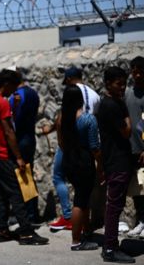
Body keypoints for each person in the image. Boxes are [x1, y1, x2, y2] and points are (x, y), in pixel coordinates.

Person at [0, 69, 48, 245]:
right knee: (17, 193)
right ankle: (26, 232)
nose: (14, 91)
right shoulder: (2, 102)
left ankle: (2, 230)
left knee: (0, 193)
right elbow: (9, 132)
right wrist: (19, 157)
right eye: (12, 87)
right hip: (4, 155)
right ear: (6, 84)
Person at [48, 66, 101, 231]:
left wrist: (61, 143)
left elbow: (60, 121)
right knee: (83, 194)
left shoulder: (71, 93)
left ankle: (68, 217)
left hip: (70, 147)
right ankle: (85, 228)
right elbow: (92, 124)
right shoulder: (95, 96)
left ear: (70, 79)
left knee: (58, 177)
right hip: (85, 149)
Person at [97, 66, 135, 263]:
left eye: (124, 83)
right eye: (118, 84)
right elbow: (127, 131)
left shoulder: (108, 103)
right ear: (108, 84)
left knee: (115, 205)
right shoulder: (113, 105)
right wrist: (127, 112)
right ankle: (110, 248)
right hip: (117, 161)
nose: (122, 87)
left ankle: (110, 246)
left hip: (116, 159)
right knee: (114, 207)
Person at [59, 85, 102, 251]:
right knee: (80, 201)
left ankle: (86, 231)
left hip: (69, 160)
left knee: (81, 197)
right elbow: (94, 147)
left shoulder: (62, 118)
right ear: (80, 100)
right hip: (84, 161)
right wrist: (101, 165)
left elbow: (61, 142)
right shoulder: (88, 119)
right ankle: (77, 241)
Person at [9, 69, 40, 224]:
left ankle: (28, 214)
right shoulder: (33, 93)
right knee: (28, 175)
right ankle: (32, 212)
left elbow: (14, 120)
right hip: (30, 137)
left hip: (20, 139)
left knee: (22, 177)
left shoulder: (17, 96)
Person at [125, 56, 144, 239]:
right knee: (138, 189)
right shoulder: (128, 93)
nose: (137, 74)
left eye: (140, 71)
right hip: (131, 150)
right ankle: (141, 222)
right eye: (134, 71)